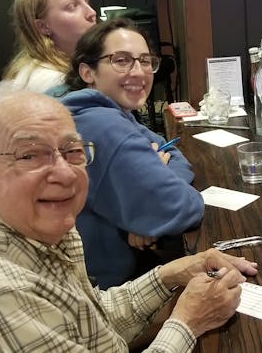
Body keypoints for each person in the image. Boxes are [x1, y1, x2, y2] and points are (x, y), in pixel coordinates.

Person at [0, 83, 258, 351]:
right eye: (29, 155)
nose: (65, 174)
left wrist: (170, 274)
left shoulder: (33, 224)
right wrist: (188, 322)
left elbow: (88, 321)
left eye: (72, 150)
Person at [61, 18, 204, 288]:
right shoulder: (105, 126)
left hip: (102, 269)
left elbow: (171, 151)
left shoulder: (101, 112)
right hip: (103, 288)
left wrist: (154, 178)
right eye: (122, 60)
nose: (139, 72)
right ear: (87, 72)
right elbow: (185, 208)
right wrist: (153, 196)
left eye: (146, 60)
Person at [3, 0, 97, 94]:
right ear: (43, 27)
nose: (92, 13)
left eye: (86, 2)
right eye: (72, 6)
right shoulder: (53, 82)